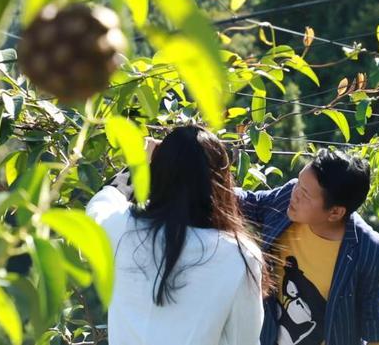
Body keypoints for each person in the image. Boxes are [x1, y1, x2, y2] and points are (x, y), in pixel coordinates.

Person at [86, 125, 265, 345]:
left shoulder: (123, 228)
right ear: (222, 182)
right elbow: (244, 340)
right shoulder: (239, 255)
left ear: (158, 175)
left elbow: (100, 204)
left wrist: (139, 165)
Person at [235, 149, 379, 345]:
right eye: (298, 183)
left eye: (304, 193)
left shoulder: (373, 254)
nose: (295, 194)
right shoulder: (290, 197)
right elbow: (252, 203)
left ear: (335, 212)